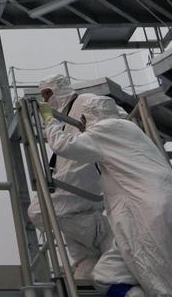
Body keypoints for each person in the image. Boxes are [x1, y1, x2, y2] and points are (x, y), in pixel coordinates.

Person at [44, 92, 172, 297]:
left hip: (146, 216)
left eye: (81, 121)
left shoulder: (102, 131)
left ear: (86, 117)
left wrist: (49, 120)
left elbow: (64, 145)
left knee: (167, 287)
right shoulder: (131, 128)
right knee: (105, 275)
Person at [29, 74, 115, 280]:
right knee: (83, 259)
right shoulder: (63, 115)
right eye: (43, 95)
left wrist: (50, 120)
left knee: (38, 212)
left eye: (49, 93)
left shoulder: (85, 101)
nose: (47, 98)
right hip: (70, 179)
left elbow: (113, 116)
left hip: (81, 176)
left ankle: (100, 228)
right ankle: (93, 271)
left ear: (60, 88)